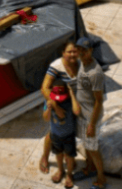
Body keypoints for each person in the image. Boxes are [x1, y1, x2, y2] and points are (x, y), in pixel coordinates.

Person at [39, 41, 81, 175]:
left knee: (69, 130)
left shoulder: (79, 64)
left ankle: (69, 157)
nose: (72, 54)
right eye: (69, 52)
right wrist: (56, 107)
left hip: (70, 102)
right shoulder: (56, 66)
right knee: (54, 132)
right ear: (63, 53)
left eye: (75, 51)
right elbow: (44, 88)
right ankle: (45, 157)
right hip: (55, 101)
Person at [73, 36, 107, 189]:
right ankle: (89, 168)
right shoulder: (82, 63)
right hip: (82, 114)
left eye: (85, 50)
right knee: (86, 145)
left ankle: (101, 178)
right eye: (79, 49)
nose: (81, 53)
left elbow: (99, 101)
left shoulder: (95, 73)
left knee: (93, 149)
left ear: (91, 51)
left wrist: (92, 124)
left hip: (91, 117)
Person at [42, 84, 80, 187]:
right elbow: (45, 118)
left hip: (69, 135)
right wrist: (48, 109)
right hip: (55, 135)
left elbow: (76, 111)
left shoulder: (70, 102)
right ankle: (60, 170)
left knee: (70, 156)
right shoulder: (47, 101)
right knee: (58, 154)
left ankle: (69, 174)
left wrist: (72, 95)